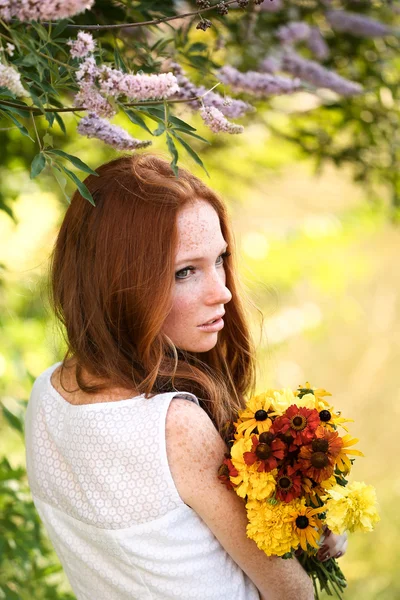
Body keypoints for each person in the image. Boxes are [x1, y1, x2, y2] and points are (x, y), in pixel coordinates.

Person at [24, 153, 346, 600]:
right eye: (185, 272)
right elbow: (292, 594)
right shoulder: (174, 427)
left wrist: (302, 524)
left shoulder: (47, 395)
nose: (224, 291)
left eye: (220, 260)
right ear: (119, 282)